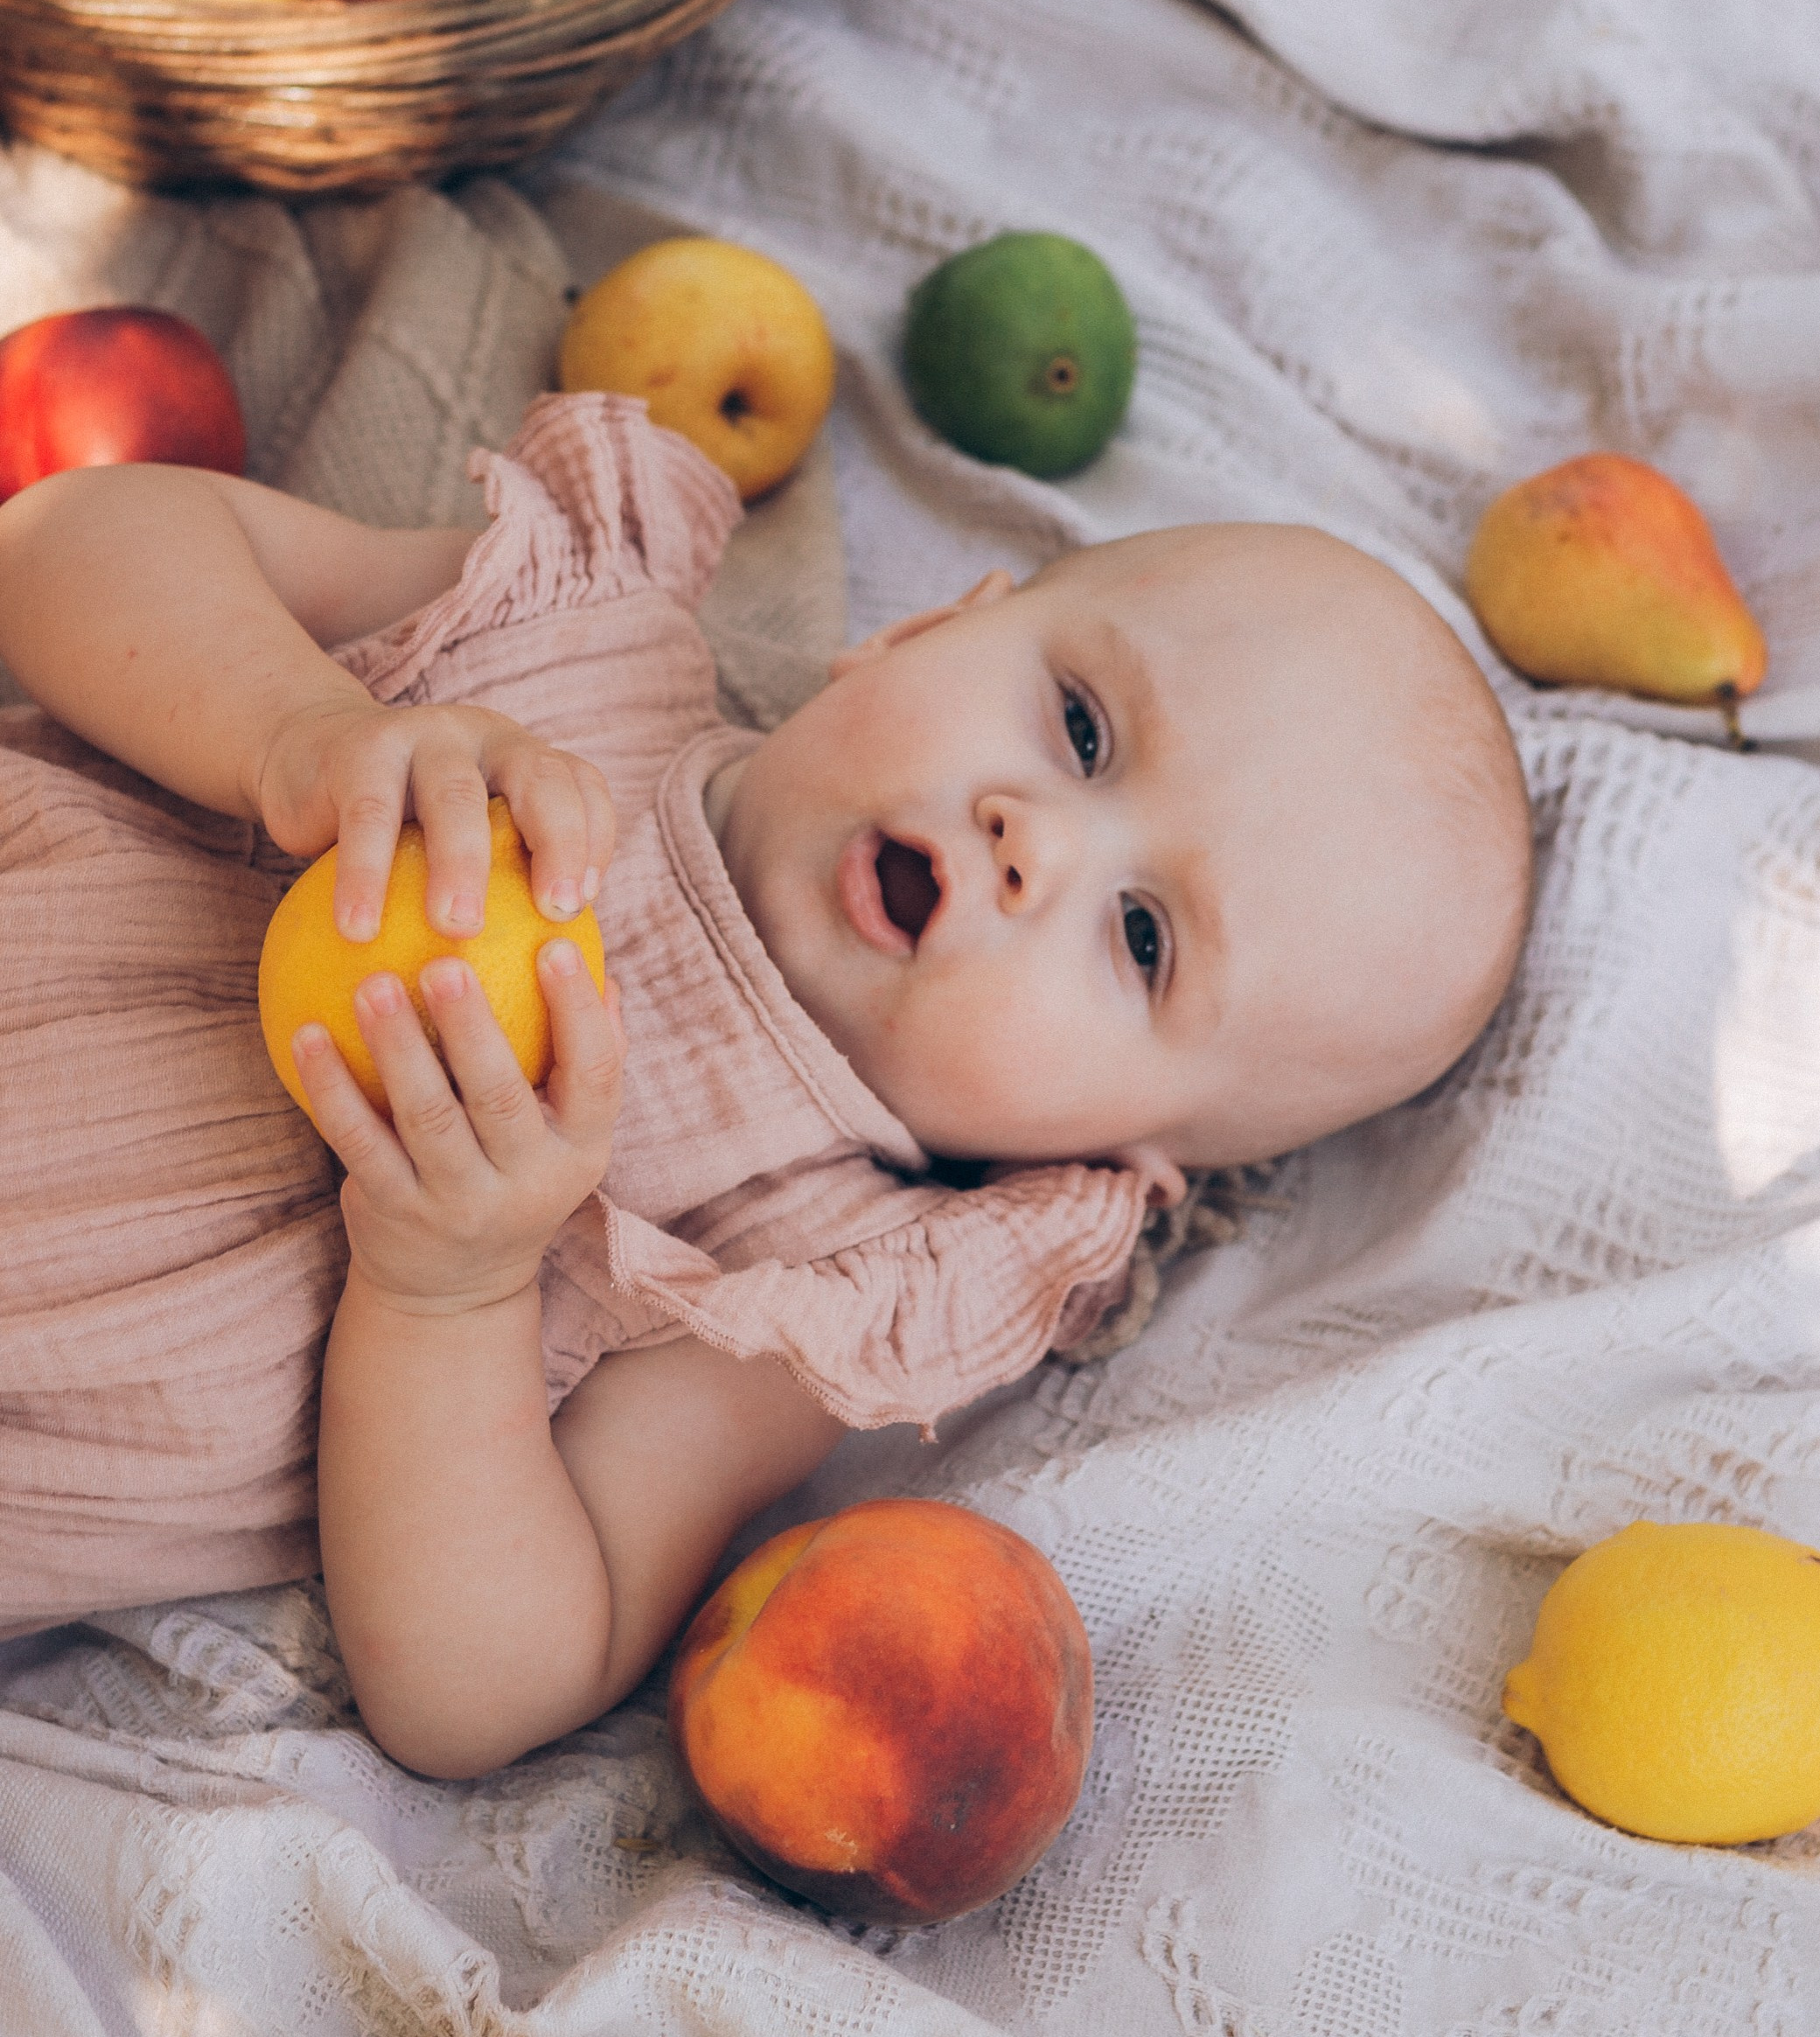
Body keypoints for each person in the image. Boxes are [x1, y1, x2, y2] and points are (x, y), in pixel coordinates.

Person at [0, 395, 1531, 1778]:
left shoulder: (792, 1282)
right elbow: (67, 542)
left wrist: (449, 1291)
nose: (1032, 840)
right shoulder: (567, 646)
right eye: (1077, 726)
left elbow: (483, 1683)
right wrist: (297, 730)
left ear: (1118, 1156)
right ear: (926, 626)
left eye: (1139, 938)